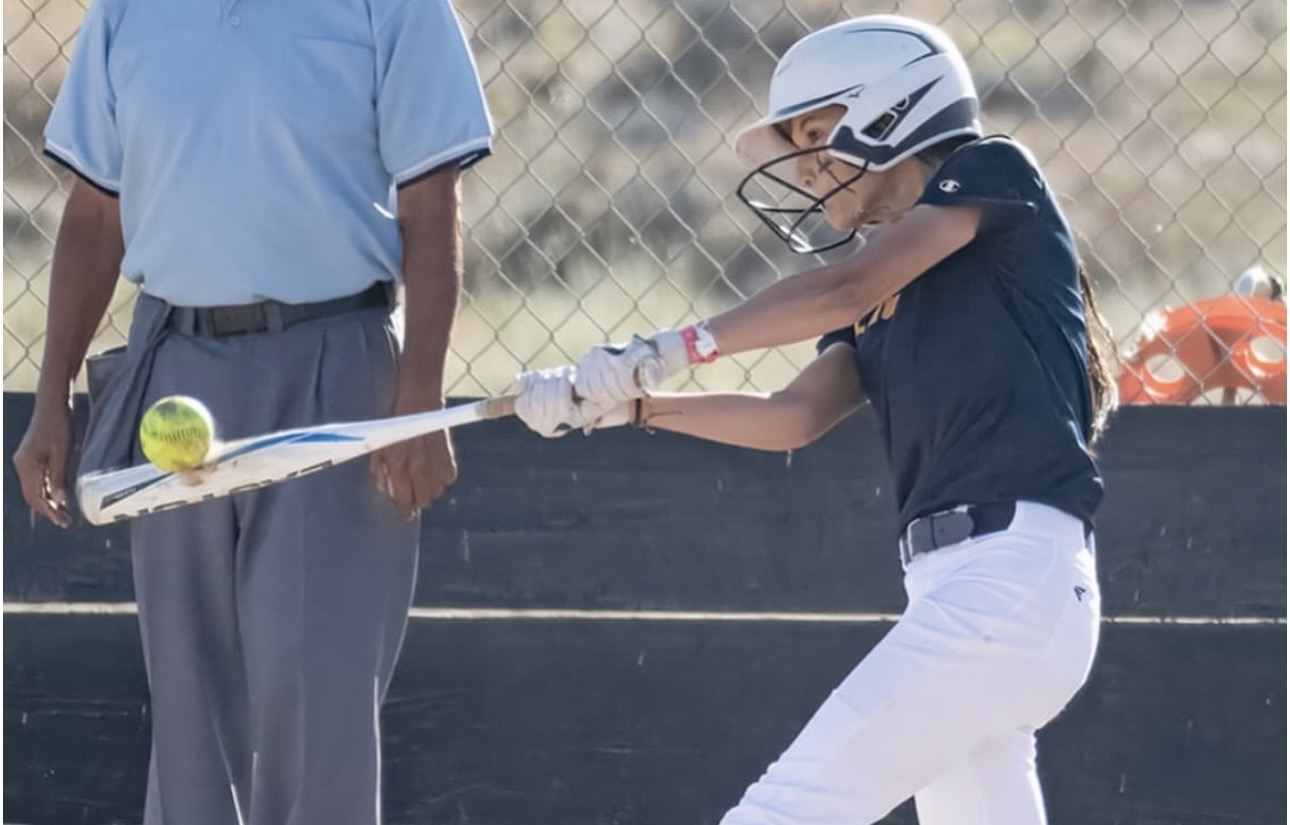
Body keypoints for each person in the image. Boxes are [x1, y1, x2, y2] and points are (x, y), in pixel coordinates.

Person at [513, 15, 1114, 825]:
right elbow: (793, 415)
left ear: (891, 110)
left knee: (783, 812)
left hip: (1006, 583)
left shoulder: (988, 174)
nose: (809, 165)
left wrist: (663, 347)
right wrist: (634, 406)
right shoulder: (878, 284)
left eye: (820, 133)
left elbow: (841, 291)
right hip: (978, 596)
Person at [12, 0, 493, 822]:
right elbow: (96, 215)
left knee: (318, 699)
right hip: (175, 366)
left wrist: (421, 398)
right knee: (189, 702)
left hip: (336, 366)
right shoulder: (128, 11)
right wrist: (50, 403)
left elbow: (431, 204)